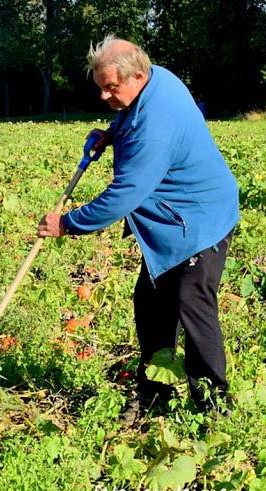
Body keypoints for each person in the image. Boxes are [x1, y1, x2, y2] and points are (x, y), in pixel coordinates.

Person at [37, 34, 239, 424]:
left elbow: (122, 197)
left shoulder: (155, 129)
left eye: (111, 87)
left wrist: (66, 223)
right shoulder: (157, 79)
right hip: (172, 219)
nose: (104, 96)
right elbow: (134, 115)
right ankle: (154, 392)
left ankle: (213, 408)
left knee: (191, 306)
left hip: (199, 220)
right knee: (150, 305)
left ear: (137, 75)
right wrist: (114, 133)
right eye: (101, 87)